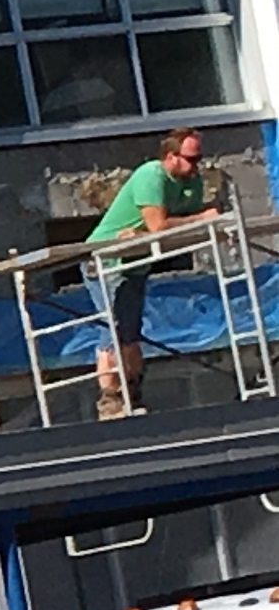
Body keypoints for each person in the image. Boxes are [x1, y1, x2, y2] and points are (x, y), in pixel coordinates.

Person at [86, 126, 217, 419]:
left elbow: (183, 229)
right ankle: (110, 400)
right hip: (107, 259)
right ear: (171, 157)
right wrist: (202, 218)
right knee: (113, 328)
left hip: (137, 263)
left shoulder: (191, 183)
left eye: (199, 159)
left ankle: (131, 394)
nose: (197, 166)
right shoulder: (151, 175)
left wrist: (197, 222)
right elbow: (160, 226)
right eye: (191, 159)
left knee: (131, 332)